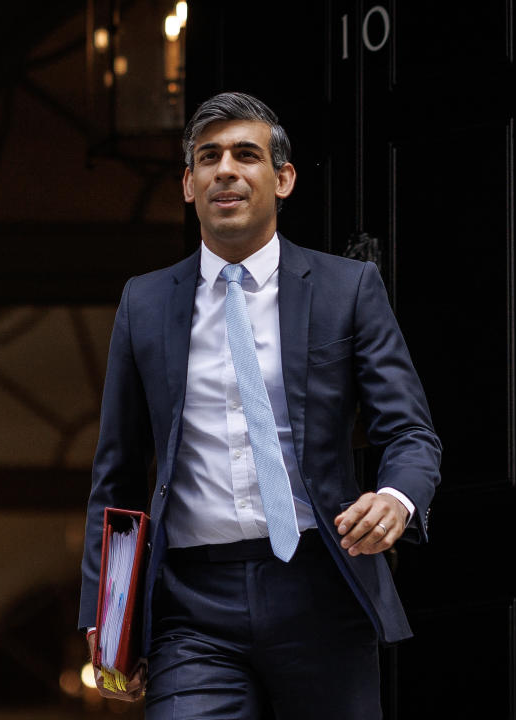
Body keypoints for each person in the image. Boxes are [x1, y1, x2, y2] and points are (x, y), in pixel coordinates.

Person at [79, 91, 441, 719]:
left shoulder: (347, 290)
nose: (226, 170)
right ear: (188, 184)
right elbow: (116, 474)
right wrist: (107, 620)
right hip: (192, 606)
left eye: (246, 155)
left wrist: (397, 499)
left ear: (283, 178)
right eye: (208, 157)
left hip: (322, 584)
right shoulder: (143, 304)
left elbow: (409, 430)